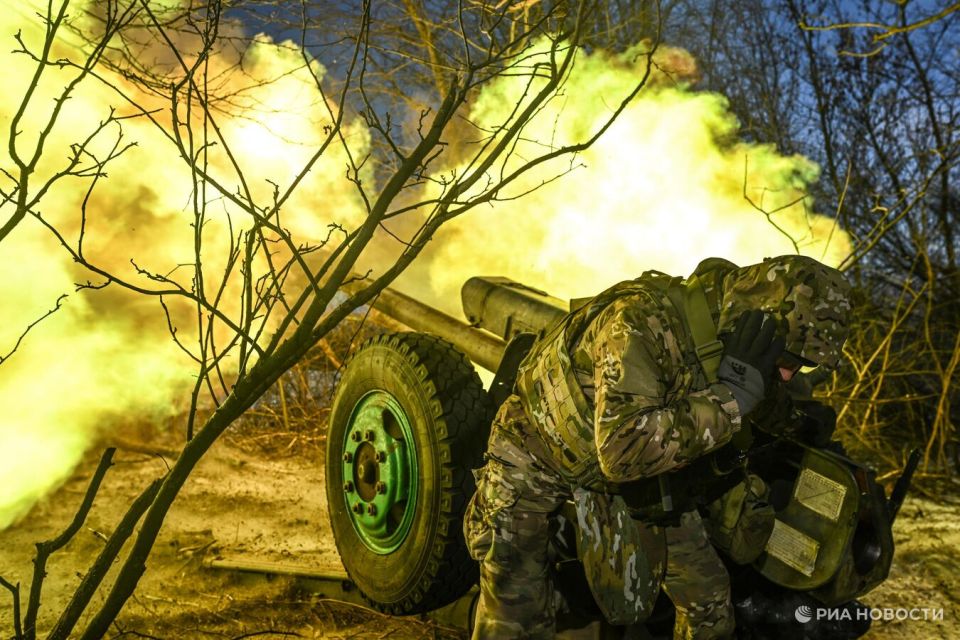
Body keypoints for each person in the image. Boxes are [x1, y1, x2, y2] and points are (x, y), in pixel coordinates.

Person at [463, 255, 852, 639]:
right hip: (535, 458)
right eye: (788, 358)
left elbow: (761, 396)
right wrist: (728, 401)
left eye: (799, 365)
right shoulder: (636, 322)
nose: (787, 372)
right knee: (514, 610)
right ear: (758, 315)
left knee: (709, 599)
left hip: (632, 479)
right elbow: (623, 449)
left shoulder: (739, 340)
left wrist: (800, 425)